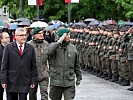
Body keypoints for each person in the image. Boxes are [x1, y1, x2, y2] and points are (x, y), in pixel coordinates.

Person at [0, 28, 38, 100]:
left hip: (25, 80)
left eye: (25, 35)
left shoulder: (30, 48)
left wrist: (33, 80)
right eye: (21, 35)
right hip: (11, 81)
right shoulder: (8, 48)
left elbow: (33, 66)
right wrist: (3, 80)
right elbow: (4, 65)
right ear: (16, 36)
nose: (24, 37)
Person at [45, 28, 82, 100]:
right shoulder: (53, 46)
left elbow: (76, 64)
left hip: (69, 81)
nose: (69, 36)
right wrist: (59, 42)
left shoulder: (72, 48)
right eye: (66, 35)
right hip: (56, 81)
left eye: (69, 34)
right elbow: (48, 52)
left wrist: (79, 77)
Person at [28, 27, 49, 100]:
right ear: (34, 35)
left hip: (44, 74)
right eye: (39, 33)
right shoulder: (29, 45)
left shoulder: (46, 44)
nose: (41, 35)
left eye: (42, 33)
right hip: (32, 76)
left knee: (44, 94)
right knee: (32, 95)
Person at [0, 32, 10, 100]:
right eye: (6, 38)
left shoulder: (12, 48)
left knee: (10, 96)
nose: (8, 39)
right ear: (1, 39)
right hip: (0, 76)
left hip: (10, 76)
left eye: (8, 37)